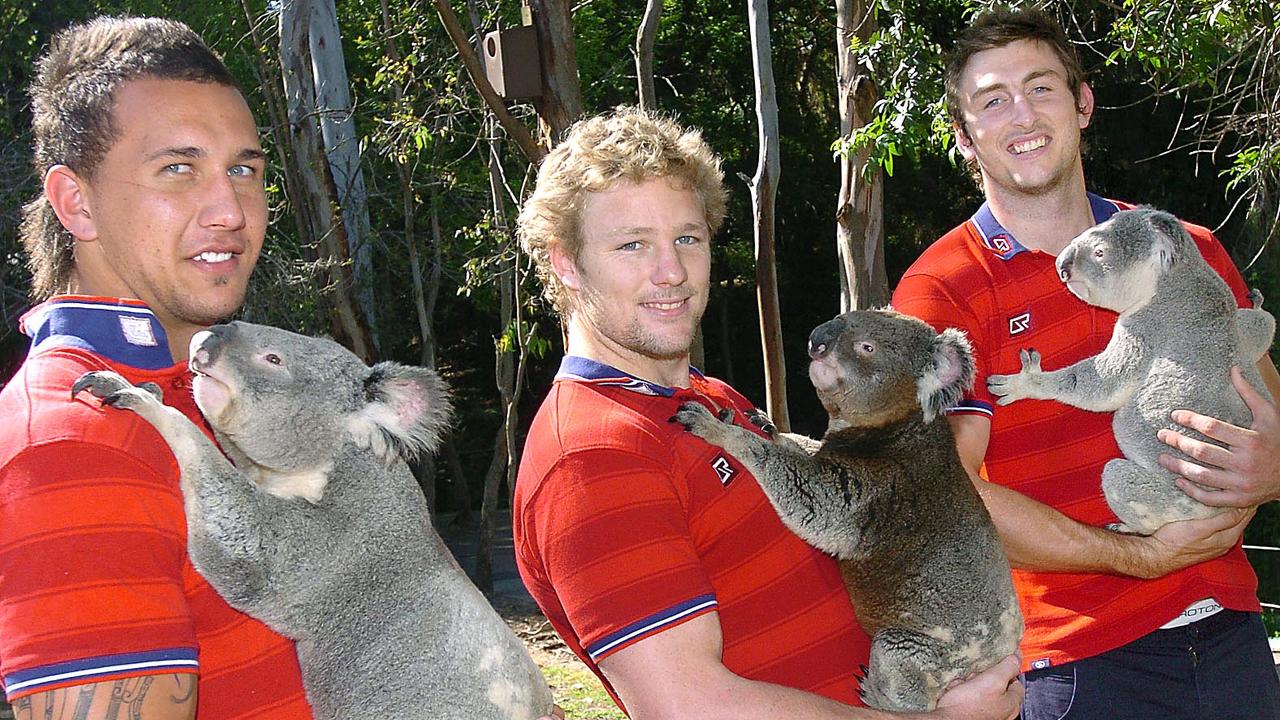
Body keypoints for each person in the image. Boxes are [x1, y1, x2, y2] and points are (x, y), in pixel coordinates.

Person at [512, 106, 1023, 720]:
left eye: (686, 238)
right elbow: (691, 706)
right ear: (566, 262)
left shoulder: (712, 401)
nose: (670, 271)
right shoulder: (591, 458)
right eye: (632, 245)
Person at [890, 8, 1280, 720]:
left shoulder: (1181, 246)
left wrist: (1276, 464)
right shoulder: (942, 289)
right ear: (965, 138)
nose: (1022, 114)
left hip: (1231, 637)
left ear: (1083, 103)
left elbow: (1270, 415)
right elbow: (947, 493)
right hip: (1079, 665)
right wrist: (1140, 556)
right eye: (992, 100)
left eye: (1041, 87)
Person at [0, 16, 315, 720]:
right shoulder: (69, 445)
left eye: (244, 169)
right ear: (75, 202)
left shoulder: (230, 396)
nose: (230, 210)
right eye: (179, 169)